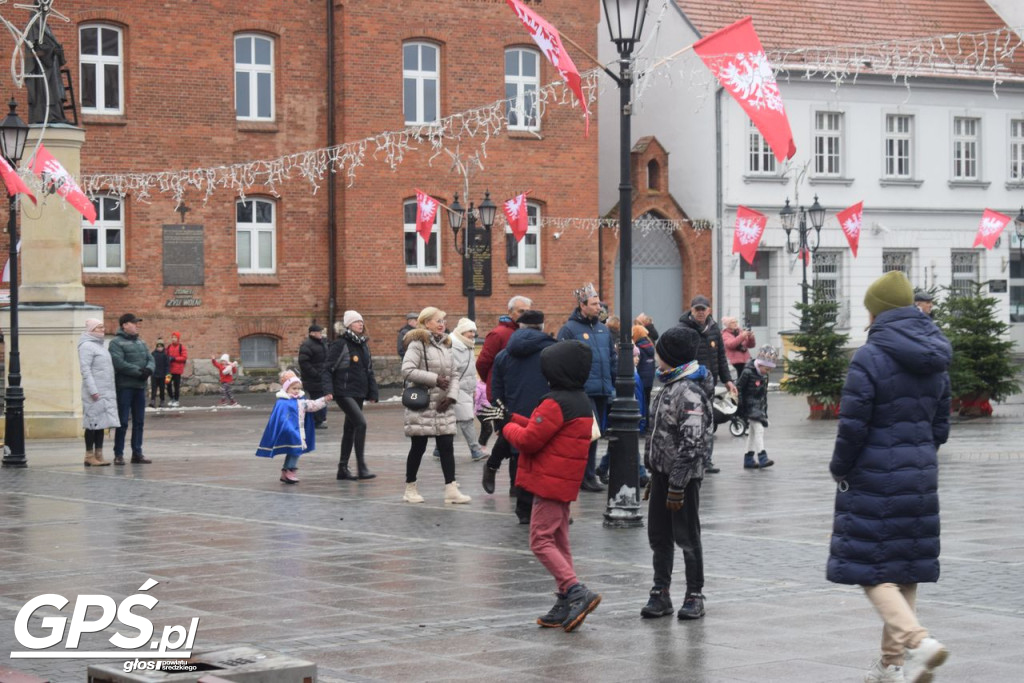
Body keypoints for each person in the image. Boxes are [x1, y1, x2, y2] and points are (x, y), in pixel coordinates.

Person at [829, 271, 952, 683]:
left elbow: (853, 425)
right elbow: (941, 426)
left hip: (875, 474)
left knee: (872, 571)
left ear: (879, 310)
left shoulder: (870, 355)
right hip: (920, 474)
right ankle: (892, 666)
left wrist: (840, 466)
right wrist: (919, 453)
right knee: (905, 566)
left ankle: (918, 642)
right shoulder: (935, 352)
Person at [502, 340, 601, 632]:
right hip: (564, 481)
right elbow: (541, 427)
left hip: (549, 482)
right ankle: (563, 601)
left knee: (540, 540)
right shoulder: (580, 400)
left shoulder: (554, 402)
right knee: (559, 541)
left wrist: (504, 427)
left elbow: (529, 440)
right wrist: (512, 417)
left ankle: (574, 590)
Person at [640, 326, 712, 622]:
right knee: (659, 535)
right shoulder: (668, 385)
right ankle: (661, 592)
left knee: (686, 536)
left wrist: (678, 484)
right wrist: (654, 474)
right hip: (661, 475)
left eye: (659, 353)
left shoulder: (690, 393)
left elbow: (692, 443)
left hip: (682, 480)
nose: (655, 357)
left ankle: (694, 594)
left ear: (670, 357)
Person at [488, 309, 557, 524]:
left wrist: (501, 418)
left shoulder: (503, 355)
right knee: (547, 461)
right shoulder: (553, 351)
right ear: (542, 327)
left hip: (515, 414)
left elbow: (495, 390)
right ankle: (549, 508)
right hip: (546, 412)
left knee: (521, 460)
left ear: (520, 328)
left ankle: (524, 508)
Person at [401, 307, 471, 504]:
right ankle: (410, 488)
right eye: (437, 320)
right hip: (423, 403)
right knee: (418, 447)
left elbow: (455, 374)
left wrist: (452, 396)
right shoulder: (417, 344)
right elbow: (407, 370)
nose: (442, 324)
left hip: (443, 403)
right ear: (426, 323)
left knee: (447, 446)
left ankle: (451, 490)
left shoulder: (446, 344)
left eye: (444, 320)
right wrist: (434, 379)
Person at [557, 283, 615, 492]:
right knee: (588, 435)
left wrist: (613, 383)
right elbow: (561, 359)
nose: (599, 307)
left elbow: (611, 357)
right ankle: (585, 475)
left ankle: (587, 474)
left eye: (599, 303)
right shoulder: (569, 329)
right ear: (582, 305)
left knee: (596, 435)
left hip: (602, 390)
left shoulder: (602, 329)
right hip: (583, 392)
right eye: (594, 304)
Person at [476, 295, 532, 494]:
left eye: (527, 311)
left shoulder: (528, 333)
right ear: (510, 312)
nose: (524, 315)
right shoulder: (498, 334)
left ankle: (509, 480)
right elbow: (483, 363)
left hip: (521, 391)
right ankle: (493, 466)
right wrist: (491, 382)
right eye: (520, 311)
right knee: (508, 432)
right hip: (501, 394)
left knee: (516, 434)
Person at [676, 294, 734, 474]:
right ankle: (690, 458)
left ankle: (706, 459)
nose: (700, 313)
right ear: (691, 310)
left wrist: (728, 381)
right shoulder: (683, 329)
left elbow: (721, 357)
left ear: (709, 311)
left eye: (703, 309)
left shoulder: (714, 329)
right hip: (690, 384)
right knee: (691, 422)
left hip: (709, 383)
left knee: (708, 422)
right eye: (697, 309)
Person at [323, 311, 379, 481]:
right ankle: (361, 467)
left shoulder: (363, 345)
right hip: (343, 391)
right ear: (348, 325)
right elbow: (327, 368)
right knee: (361, 423)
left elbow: (368, 370)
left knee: (350, 429)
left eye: (361, 321)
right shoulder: (341, 344)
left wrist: (372, 392)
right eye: (356, 322)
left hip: (358, 392)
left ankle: (342, 468)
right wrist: (328, 390)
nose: (360, 324)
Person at [255, 371, 330, 484]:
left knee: (294, 451)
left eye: (298, 388)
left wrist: (324, 400)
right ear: (286, 388)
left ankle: (286, 471)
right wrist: (286, 428)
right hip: (289, 431)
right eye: (293, 388)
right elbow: (280, 418)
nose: (296, 391)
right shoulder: (282, 402)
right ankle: (290, 470)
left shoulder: (301, 401)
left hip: (299, 431)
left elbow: (313, 405)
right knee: (295, 450)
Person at [109, 313, 155, 465]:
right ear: (124, 325)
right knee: (122, 421)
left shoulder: (141, 342)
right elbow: (119, 363)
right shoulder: (116, 343)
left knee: (139, 421)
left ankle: (137, 452)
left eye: (137, 323)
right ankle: (118, 454)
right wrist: (139, 372)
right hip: (125, 387)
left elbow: (151, 359)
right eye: (134, 323)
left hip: (140, 387)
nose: (137, 325)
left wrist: (148, 370)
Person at [78, 318, 118, 467]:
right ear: (91, 330)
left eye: (102, 327)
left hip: (105, 391)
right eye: (99, 328)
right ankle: (89, 455)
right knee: (91, 423)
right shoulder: (86, 346)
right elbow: (86, 370)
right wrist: (93, 390)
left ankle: (99, 454)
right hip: (94, 393)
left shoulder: (101, 346)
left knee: (102, 424)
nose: (103, 329)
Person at [449, 317, 486, 462]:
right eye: (470, 331)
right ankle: (475, 450)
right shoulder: (453, 345)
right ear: (462, 331)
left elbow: (470, 369)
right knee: (467, 419)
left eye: (474, 331)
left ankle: (439, 449)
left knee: (454, 420)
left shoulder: (468, 344)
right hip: (457, 387)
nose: (472, 334)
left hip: (466, 387)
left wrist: (473, 387)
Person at [736, 345, 777, 470]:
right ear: (759, 364)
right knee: (759, 430)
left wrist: (764, 411)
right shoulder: (747, 372)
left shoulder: (764, 376)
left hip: (758, 407)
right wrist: (741, 407)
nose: (767, 372)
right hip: (749, 406)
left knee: (753, 434)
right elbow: (739, 389)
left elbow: (764, 395)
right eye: (766, 368)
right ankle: (762, 457)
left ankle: (748, 459)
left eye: (770, 369)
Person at [298, 324, 329, 429]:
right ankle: (318, 421)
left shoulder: (323, 343)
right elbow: (304, 363)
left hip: (323, 377)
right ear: (312, 333)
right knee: (317, 399)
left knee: (323, 398)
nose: (321, 334)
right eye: (319, 332)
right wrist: (316, 374)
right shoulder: (307, 345)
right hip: (313, 379)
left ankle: (321, 419)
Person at [633, 324, 656, 426]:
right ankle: (647, 423)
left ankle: (642, 423)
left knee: (642, 402)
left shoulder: (638, 348)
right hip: (649, 379)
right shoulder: (650, 345)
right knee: (647, 401)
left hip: (641, 378)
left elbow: (637, 364)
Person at [721, 316, 756, 382]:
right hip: (735, 364)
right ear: (727, 325)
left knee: (748, 381)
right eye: (732, 322)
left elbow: (751, 345)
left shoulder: (741, 331)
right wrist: (742, 336)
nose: (735, 323)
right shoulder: (725, 334)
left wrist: (751, 338)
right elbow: (731, 344)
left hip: (746, 361)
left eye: (736, 322)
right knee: (738, 382)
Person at [166, 331, 188, 407]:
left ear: (178, 338)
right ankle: (171, 398)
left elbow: (184, 357)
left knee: (176, 386)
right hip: (169, 370)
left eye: (175, 337)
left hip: (177, 371)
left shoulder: (181, 347)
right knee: (167, 383)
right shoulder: (169, 347)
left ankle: (176, 400)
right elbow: (165, 355)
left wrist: (174, 358)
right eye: (172, 337)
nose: (173, 339)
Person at [149, 339, 169, 408]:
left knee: (162, 389)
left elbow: (167, 366)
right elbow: (150, 363)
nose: (159, 348)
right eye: (158, 347)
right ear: (156, 347)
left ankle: (162, 401)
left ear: (163, 347)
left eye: (161, 347)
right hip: (154, 375)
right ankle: (152, 400)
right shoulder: (153, 354)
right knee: (153, 389)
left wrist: (167, 375)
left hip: (162, 375)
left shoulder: (165, 355)